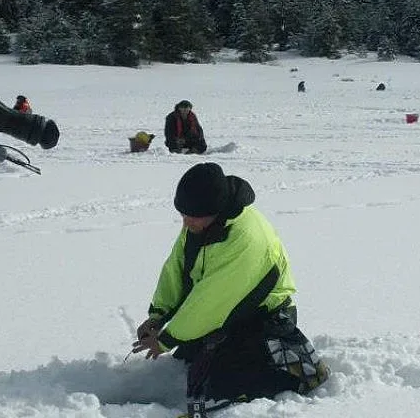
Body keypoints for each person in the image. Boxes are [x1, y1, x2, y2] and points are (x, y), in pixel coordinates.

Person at [132, 163, 329, 403]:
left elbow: (212, 301)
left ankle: (303, 373)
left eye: (191, 217)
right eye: (182, 216)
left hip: (263, 317)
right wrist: (159, 314)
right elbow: (177, 268)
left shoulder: (246, 239)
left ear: (214, 210)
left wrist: (166, 340)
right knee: (189, 363)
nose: (185, 223)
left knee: (223, 389)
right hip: (226, 314)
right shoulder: (201, 221)